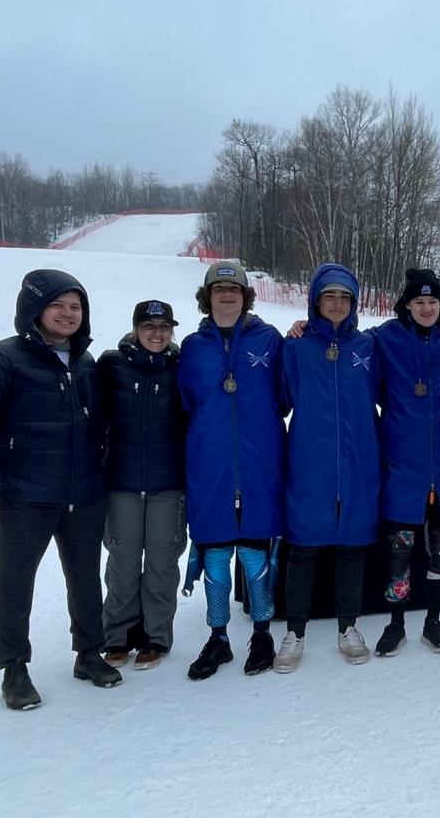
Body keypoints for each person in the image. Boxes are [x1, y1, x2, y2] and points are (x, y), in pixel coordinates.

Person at [0, 268, 121, 710]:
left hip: (83, 492)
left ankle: (89, 654)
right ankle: (14, 668)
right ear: (34, 309)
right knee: (14, 581)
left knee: (85, 577)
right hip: (24, 494)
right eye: (57, 305)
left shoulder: (85, 363)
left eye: (75, 306)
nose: (68, 314)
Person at [178, 260, 286, 679]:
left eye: (235, 289)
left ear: (245, 296)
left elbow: (283, 396)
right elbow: (187, 400)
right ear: (207, 297)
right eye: (219, 289)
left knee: (257, 551)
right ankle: (218, 637)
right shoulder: (192, 346)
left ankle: (262, 632)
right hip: (210, 461)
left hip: (260, 460)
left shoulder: (269, 340)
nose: (227, 295)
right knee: (217, 552)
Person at [273, 263, 380, 671]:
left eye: (345, 297)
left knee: (352, 548)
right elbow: (281, 399)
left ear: (354, 303)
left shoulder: (368, 347)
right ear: (315, 301)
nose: (337, 303)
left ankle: (347, 627)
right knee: (303, 549)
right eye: (329, 296)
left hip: (357, 461)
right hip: (310, 462)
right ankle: (295, 631)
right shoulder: (296, 347)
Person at [368, 268, 440, 657]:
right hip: (403, 465)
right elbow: (340, 337)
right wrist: (303, 325)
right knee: (399, 551)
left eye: (433, 301)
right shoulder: (386, 337)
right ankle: (395, 623)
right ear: (407, 305)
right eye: (419, 302)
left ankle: (434, 620)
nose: (427, 308)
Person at [97, 299, 188, 670]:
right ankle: (117, 636)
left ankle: (156, 637)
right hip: (123, 484)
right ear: (136, 329)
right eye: (150, 327)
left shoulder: (182, 366)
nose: (157, 334)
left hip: (169, 484)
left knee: (162, 564)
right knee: (123, 560)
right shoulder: (111, 365)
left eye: (164, 328)